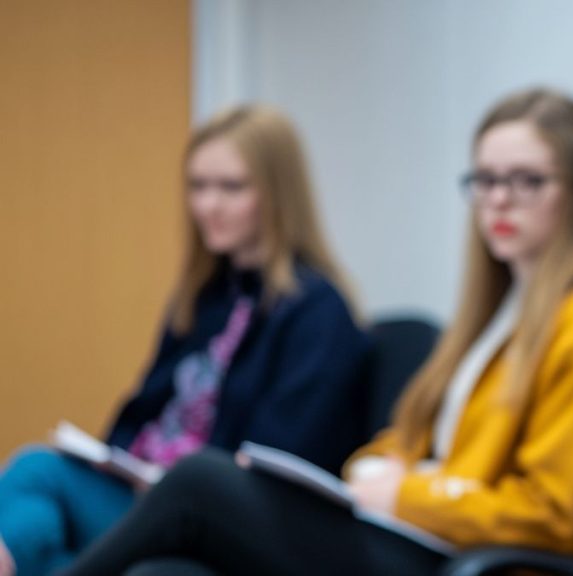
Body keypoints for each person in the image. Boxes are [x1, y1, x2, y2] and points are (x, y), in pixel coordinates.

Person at [61, 87, 573, 576]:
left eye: (526, 181)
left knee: (203, 478)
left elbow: (551, 514)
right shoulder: (497, 314)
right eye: (484, 180)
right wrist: (372, 473)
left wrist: (403, 496)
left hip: (460, 556)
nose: (498, 201)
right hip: (414, 536)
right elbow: (402, 441)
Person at [0, 105, 369, 576]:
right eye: (198, 186)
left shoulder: (317, 311)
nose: (207, 206)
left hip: (212, 516)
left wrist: (172, 482)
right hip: (141, 489)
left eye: (231, 187)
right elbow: (140, 411)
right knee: (37, 472)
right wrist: (121, 464)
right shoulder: (204, 298)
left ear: (277, 194)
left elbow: (282, 462)